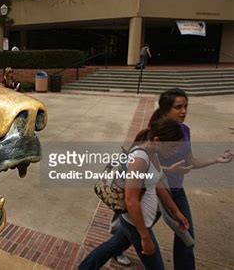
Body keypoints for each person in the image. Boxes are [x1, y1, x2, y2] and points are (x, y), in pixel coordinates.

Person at [79, 118, 190, 270]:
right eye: (172, 146)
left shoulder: (154, 153)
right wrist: (144, 236)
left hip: (135, 222)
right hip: (137, 223)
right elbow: (131, 200)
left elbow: (157, 184)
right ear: (157, 140)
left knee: (110, 247)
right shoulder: (140, 159)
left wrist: (176, 211)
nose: (175, 151)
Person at [144, 88, 234, 269]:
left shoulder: (185, 131)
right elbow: (147, 168)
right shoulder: (154, 135)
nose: (183, 111)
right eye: (178, 107)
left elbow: (190, 161)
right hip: (155, 193)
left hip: (176, 191)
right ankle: (110, 252)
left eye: (186, 106)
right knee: (131, 233)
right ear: (165, 110)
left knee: (186, 237)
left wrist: (215, 159)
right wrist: (173, 208)